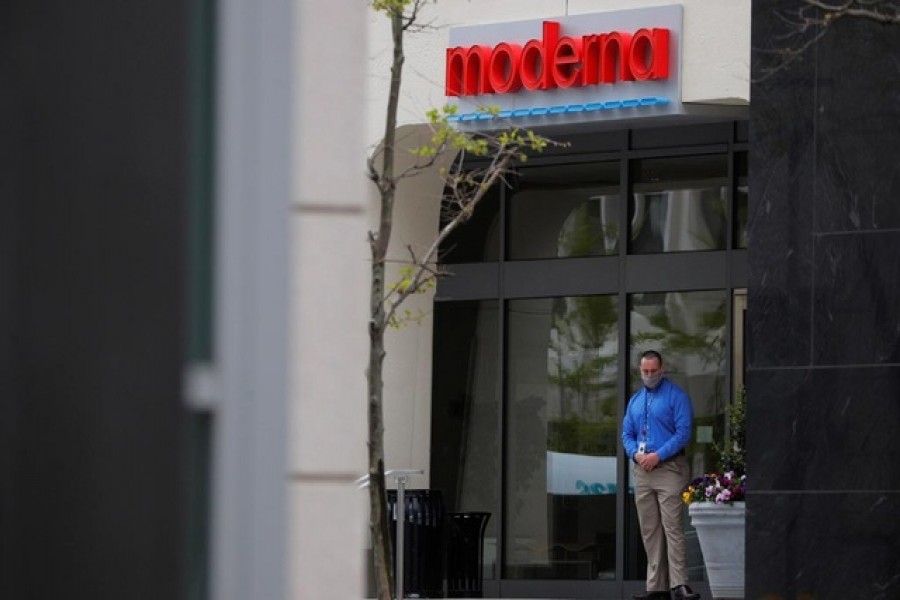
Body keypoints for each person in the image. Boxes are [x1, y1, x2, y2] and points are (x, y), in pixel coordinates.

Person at [622, 350, 701, 600]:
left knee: (672, 527)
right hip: (643, 470)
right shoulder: (635, 400)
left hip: (669, 469)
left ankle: (680, 584)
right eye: (644, 371)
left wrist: (658, 455)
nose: (649, 375)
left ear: (662, 369)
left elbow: (683, 433)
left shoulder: (677, 396)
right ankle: (656, 586)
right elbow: (627, 434)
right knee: (650, 529)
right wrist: (636, 454)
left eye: (653, 371)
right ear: (640, 370)